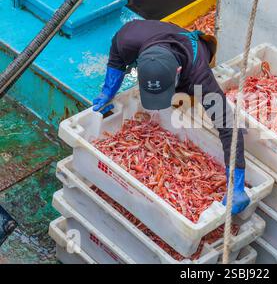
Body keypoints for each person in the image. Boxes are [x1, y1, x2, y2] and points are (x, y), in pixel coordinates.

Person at [93, 20, 249, 215]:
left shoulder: (199, 77)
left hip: (194, 52)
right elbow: (116, 56)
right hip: (157, 39)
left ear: (177, 73)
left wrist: (237, 183)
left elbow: (228, 127)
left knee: (193, 100)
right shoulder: (128, 37)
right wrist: (108, 91)